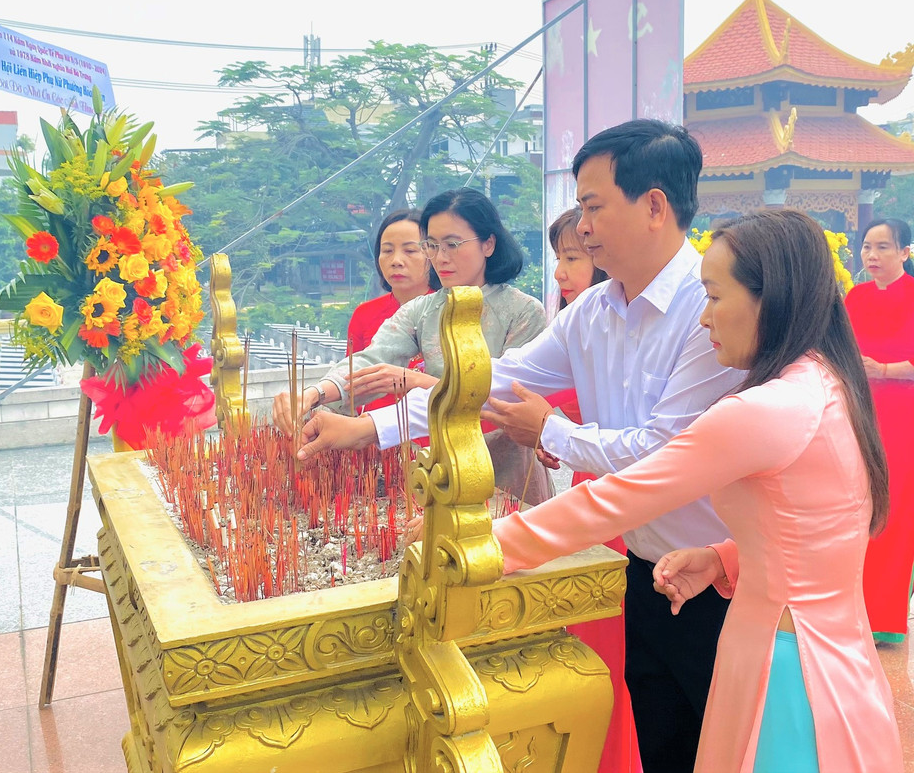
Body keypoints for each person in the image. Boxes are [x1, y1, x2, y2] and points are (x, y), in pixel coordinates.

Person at [291, 119, 745, 773]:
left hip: (715, 579)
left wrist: (550, 431)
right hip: (644, 570)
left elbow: (664, 453)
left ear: (653, 205)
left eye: (593, 207)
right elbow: (488, 381)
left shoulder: (709, 307)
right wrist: (366, 428)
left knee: (726, 748)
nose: (581, 227)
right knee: (663, 737)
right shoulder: (591, 312)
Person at [495, 209, 902, 773]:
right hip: (830, 654)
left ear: (770, 298)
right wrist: (724, 557)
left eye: (713, 297)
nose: (704, 318)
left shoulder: (764, 409)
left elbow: (622, 495)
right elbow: (821, 526)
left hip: (782, 664)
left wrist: (488, 546)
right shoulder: (827, 381)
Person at [278, 187, 552, 504]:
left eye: (452, 244)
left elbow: (509, 403)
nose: (441, 257)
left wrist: (422, 383)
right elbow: (371, 359)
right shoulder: (421, 310)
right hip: (442, 464)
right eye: (432, 246)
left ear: (488, 244)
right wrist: (314, 394)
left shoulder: (523, 312)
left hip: (505, 471)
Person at [538, 206, 637, 773]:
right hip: (588, 494)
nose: (563, 272)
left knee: (617, 647)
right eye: (561, 259)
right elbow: (512, 379)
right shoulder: (580, 320)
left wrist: (552, 429)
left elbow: (653, 444)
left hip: (626, 499)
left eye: (573, 257)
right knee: (592, 642)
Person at [845, 218, 914, 643]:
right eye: (867, 247)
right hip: (861, 409)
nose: (872, 256)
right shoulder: (854, 296)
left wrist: (886, 369)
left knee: (898, 508)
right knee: (858, 504)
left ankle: (887, 615)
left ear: (906, 252)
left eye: (883, 247)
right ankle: (849, 608)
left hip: (909, 415)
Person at [345, 209, 433, 413]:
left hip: (433, 436)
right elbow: (351, 384)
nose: (396, 261)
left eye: (410, 251)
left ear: (433, 254)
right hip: (374, 436)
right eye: (387, 251)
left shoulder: (448, 310)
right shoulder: (364, 314)